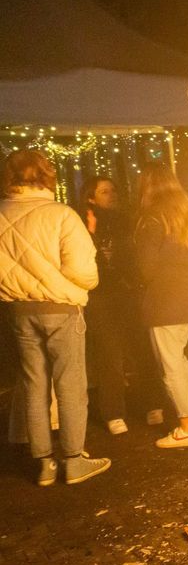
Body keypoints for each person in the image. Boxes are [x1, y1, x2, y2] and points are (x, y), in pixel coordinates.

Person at [0, 150, 111, 485]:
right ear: (47, 175)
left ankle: (45, 464)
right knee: (70, 384)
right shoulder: (61, 215)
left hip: (19, 310)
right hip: (62, 309)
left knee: (34, 385)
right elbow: (84, 273)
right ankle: (74, 460)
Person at [134, 164, 188, 449]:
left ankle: (186, 427)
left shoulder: (153, 218)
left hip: (164, 302)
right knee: (179, 358)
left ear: (148, 186)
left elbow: (146, 268)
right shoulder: (187, 216)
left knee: (170, 365)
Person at [80, 176, 134, 434]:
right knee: (109, 350)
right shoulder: (83, 223)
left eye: (113, 190)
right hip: (99, 294)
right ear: (91, 197)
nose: (111, 195)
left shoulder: (125, 221)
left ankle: (148, 403)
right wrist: (92, 237)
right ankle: (113, 412)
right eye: (104, 192)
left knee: (135, 345)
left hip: (124, 290)